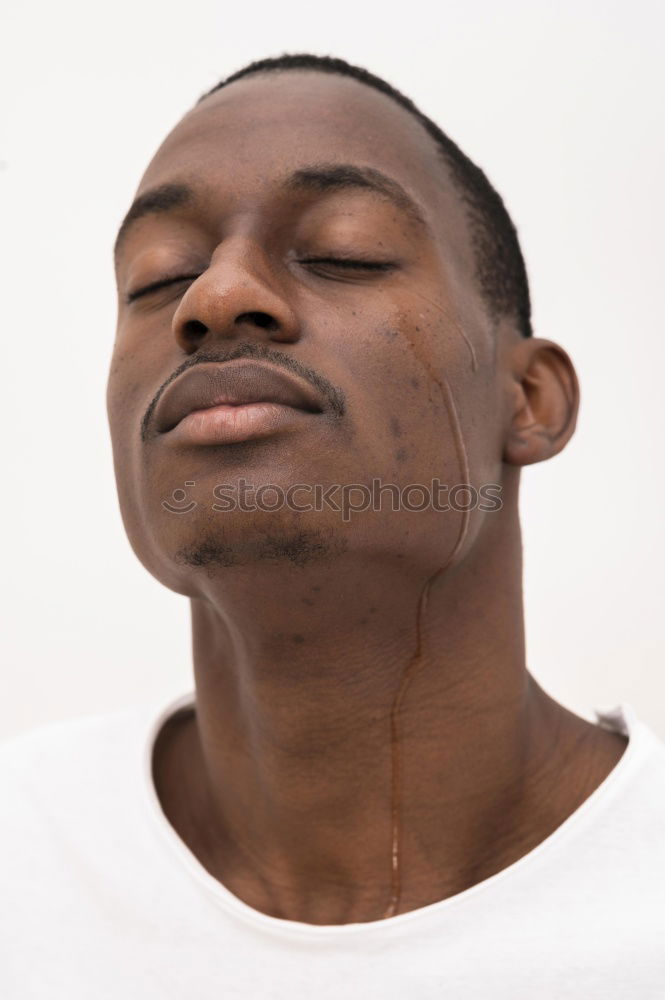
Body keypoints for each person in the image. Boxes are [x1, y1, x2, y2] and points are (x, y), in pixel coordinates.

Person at [2, 52, 664, 998]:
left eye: (342, 250)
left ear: (526, 399)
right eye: (159, 277)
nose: (215, 297)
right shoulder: (18, 865)